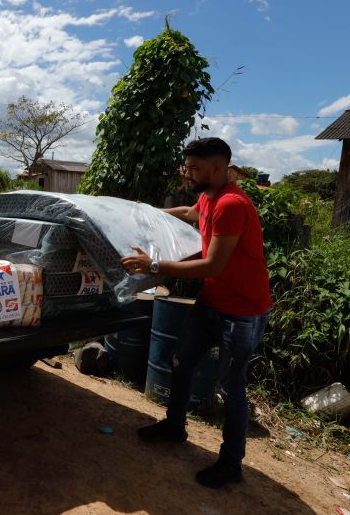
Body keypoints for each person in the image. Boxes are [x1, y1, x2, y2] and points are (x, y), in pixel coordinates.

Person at [121, 137, 272, 489]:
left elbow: (214, 265)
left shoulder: (232, 204)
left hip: (243, 311)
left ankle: (231, 463)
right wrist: (152, 212)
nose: (188, 174)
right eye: (186, 167)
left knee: (231, 387)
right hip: (213, 302)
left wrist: (154, 264)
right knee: (181, 361)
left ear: (218, 168)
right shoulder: (210, 196)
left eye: (194, 168)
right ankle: (175, 426)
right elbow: (192, 213)